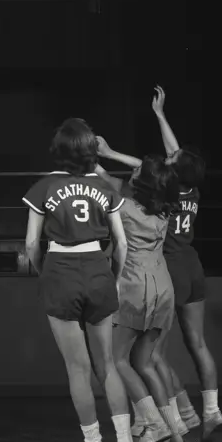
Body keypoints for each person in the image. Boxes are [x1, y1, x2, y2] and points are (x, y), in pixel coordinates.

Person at [98, 87, 222, 439]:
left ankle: (170, 420)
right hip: (191, 266)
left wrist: (104, 155)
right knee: (196, 344)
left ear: (172, 171)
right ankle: (207, 412)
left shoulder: (149, 198)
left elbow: (143, 170)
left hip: (162, 272)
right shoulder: (187, 190)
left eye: (173, 156)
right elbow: (162, 162)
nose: (169, 154)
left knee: (148, 357)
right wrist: (160, 114)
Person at [22, 118, 132, 442]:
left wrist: (44, 272)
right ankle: (124, 438)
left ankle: (93, 438)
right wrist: (114, 278)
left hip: (59, 269)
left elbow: (30, 243)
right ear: (90, 150)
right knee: (108, 365)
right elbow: (122, 243)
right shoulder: (104, 187)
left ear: (58, 149)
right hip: (98, 268)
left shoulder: (43, 186)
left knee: (77, 369)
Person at [95, 149, 185, 442]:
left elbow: (108, 182)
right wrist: (104, 158)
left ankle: (154, 423)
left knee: (117, 359)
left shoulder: (122, 207)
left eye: (137, 173)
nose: (131, 172)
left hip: (135, 289)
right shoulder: (166, 206)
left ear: (143, 184)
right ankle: (176, 431)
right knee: (145, 363)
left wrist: (93, 161)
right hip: (163, 288)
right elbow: (157, 174)